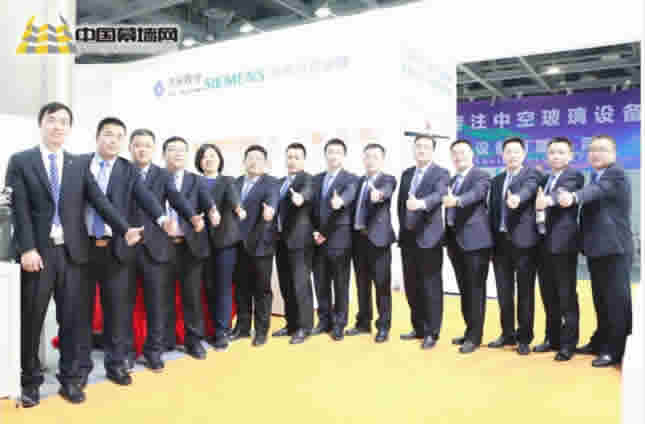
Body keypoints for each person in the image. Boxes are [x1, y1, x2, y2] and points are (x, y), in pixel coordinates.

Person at [6, 102, 143, 406]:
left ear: (69, 128)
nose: (58, 126)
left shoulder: (78, 164)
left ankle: (69, 379)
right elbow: (19, 209)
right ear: (41, 124)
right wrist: (27, 248)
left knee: (73, 321)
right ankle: (30, 382)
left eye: (64, 121)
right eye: (52, 120)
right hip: (38, 254)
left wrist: (124, 229)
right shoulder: (21, 161)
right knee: (31, 320)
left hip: (73, 255)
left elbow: (100, 201)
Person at [78, 119, 191, 388]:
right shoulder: (78, 164)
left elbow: (145, 196)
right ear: (97, 136)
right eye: (108, 134)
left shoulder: (128, 170)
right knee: (79, 311)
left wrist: (162, 219)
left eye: (118, 136)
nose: (113, 140)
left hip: (120, 246)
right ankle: (78, 369)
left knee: (118, 309)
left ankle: (117, 363)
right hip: (82, 248)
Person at [127, 129, 203, 371]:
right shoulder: (121, 170)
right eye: (137, 145)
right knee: (124, 304)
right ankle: (126, 352)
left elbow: (176, 198)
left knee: (156, 302)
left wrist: (192, 217)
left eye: (147, 145)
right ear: (130, 148)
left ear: (153, 150)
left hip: (156, 247)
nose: (142, 149)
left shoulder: (162, 175)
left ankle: (154, 351)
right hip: (126, 245)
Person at [558, 135, 633, 367]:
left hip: (614, 249)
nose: (595, 154)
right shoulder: (595, 175)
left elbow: (596, 192)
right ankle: (600, 341)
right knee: (600, 299)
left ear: (614, 153)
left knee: (616, 301)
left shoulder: (615, 174)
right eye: (592, 150)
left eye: (601, 149)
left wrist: (573, 196)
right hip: (598, 248)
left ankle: (615, 350)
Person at [161, 136, 216, 360]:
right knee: (163, 295)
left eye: (181, 150)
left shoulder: (196, 180)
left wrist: (213, 212)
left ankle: (193, 340)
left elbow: (208, 203)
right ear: (164, 154)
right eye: (172, 149)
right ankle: (166, 339)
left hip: (190, 246)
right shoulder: (156, 178)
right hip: (162, 245)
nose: (177, 154)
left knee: (192, 296)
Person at [487, 137, 541, 355]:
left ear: (524, 154)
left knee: (525, 292)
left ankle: (524, 338)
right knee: (504, 292)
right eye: (508, 152)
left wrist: (517, 198)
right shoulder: (497, 180)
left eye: (516, 151)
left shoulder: (532, 175)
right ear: (502, 155)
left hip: (524, 244)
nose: (512, 155)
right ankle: (507, 333)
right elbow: (492, 212)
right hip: (500, 244)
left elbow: (529, 189)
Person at [532, 137, 585, 361]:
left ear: (570, 156)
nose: (556, 156)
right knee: (548, 294)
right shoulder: (545, 179)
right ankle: (551, 338)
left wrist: (547, 201)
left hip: (563, 245)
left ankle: (568, 343)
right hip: (542, 244)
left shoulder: (574, 175)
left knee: (566, 295)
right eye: (552, 152)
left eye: (561, 152)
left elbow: (561, 195)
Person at [397, 135, 450, 350]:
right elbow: (401, 205)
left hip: (430, 238)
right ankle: (418, 327)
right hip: (408, 238)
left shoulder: (441, 173)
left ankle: (432, 332)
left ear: (433, 150)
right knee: (412, 286)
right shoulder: (407, 173)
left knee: (431, 287)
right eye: (418, 146)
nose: (421, 150)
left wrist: (421, 203)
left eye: (426, 147)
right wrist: (403, 229)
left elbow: (439, 194)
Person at [443, 139, 493, 354]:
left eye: (462, 152)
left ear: (472, 154)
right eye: (454, 153)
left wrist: (457, 201)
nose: (458, 156)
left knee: (476, 290)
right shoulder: (452, 180)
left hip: (476, 243)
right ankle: (469, 330)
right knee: (464, 289)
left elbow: (477, 194)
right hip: (455, 242)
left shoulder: (481, 175)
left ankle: (475, 336)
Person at [195, 143, 246, 351]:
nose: (209, 159)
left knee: (223, 287)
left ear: (220, 160)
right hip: (200, 241)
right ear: (199, 161)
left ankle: (222, 332)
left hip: (225, 241)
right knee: (207, 286)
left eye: (213, 155)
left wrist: (238, 208)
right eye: (205, 156)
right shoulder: (194, 181)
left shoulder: (227, 180)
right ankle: (210, 328)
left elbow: (233, 198)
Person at [346, 143, 397, 343]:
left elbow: (386, 191)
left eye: (375, 157)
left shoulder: (388, 179)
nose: (370, 160)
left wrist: (379, 195)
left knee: (382, 286)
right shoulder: (359, 181)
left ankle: (383, 326)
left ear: (382, 160)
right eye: (367, 156)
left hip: (379, 241)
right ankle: (363, 323)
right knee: (361, 284)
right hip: (358, 240)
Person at [230, 145, 279, 347]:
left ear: (265, 163)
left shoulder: (272, 182)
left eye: (259, 158)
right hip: (237, 245)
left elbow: (272, 202)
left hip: (261, 244)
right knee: (241, 288)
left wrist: (270, 212)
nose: (254, 162)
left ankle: (261, 331)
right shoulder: (236, 182)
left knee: (261, 290)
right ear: (244, 161)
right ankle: (242, 328)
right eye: (250, 158)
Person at [311, 138, 358, 341]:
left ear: (344, 156)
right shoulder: (316, 179)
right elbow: (311, 209)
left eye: (338, 152)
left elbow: (348, 196)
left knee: (340, 284)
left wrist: (340, 201)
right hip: (317, 241)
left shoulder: (351, 179)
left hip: (339, 240)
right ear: (325, 154)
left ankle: (339, 323)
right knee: (320, 282)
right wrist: (314, 231)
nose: (333, 155)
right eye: (330, 151)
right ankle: (324, 321)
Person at [272, 142, 316, 345]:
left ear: (304, 160)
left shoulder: (308, 179)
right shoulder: (280, 182)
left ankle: (305, 327)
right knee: (286, 285)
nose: (292, 160)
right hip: (280, 240)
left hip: (300, 241)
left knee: (301, 285)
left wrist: (301, 198)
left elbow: (307, 193)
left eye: (297, 157)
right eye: (289, 156)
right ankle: (291, 324)